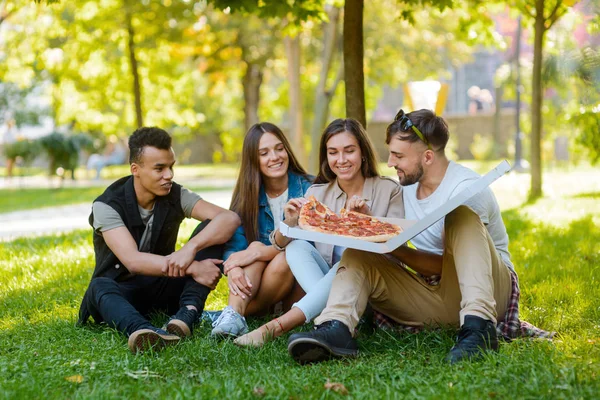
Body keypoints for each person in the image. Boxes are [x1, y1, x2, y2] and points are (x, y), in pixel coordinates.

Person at [287, 109, 545, 364]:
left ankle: (479, 330)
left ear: (428, 157)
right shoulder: (406, 189)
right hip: (435, 295)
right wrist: (371, 226)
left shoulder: (466, 189)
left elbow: (446, 266)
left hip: (488, 292)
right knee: (359, 253)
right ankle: (336, 328)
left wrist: (390, 245)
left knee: (460, 216)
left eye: (398, 155)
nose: (389, 163)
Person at [234, 118, 404, 346]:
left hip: (377, 289)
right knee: (296, 246)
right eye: (333, 152)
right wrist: (290, 222)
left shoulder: (389, 190)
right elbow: (279, 243)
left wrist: (365, 221)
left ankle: (277, 326)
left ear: (362, 152)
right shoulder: (318, 193)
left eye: (349, 151)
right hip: (329, 286)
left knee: (353, 257)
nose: (341, 160)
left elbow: (396, 249)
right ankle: (333, 318)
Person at [77, 127, 240, 353]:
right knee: (98, 286)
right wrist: (191, 267)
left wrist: (190, 248)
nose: (169, 175)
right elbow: (132, 261)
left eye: (171, 166)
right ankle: (144, 331)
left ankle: (186, 315)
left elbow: (229, 218)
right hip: (120, 295)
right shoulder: (106, 205)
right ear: (136, 169)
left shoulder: (176, 194)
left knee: (210, 228)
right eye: (159, 169)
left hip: (162, 287)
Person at [209, 122, 312, 338]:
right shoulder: (247, 197)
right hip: (260, 282)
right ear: (253, 160)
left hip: (296, 285)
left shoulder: (309, 189)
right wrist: (234, 268)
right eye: (264, 153)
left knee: (280, 254)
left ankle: (235, 313)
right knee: (252, 248)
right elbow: (234, 248)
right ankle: (234, 315)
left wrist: (258, 252)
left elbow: (310, 246)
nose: (274, 157)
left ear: (287, 150)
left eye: (279, 148)